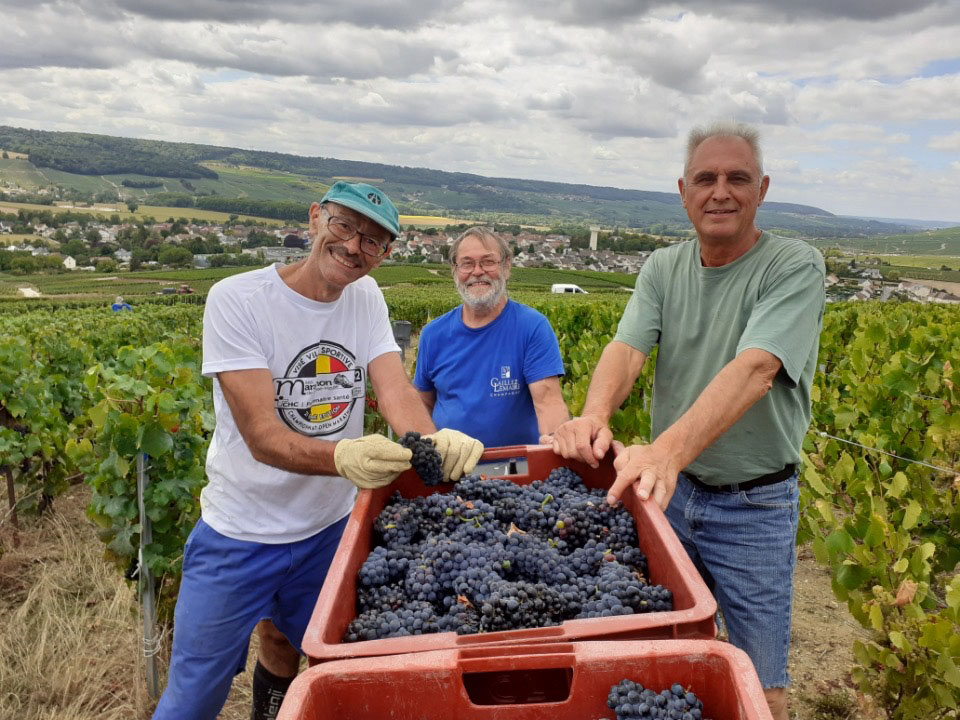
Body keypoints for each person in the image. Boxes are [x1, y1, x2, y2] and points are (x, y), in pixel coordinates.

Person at [152, 182, 483, 720]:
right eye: (345, 226)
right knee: (193, 696)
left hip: (329, 534)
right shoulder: (237, 299)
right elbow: (261, 434)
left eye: (373, 241)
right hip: (239, 536)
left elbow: (395, 388)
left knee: (337, 674)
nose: (354, 246)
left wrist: (430, 438)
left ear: (385, 256)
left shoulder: (366, 298)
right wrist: (340, 458)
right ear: (314, 219)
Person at [550, 122, 824, 720]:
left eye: (737, 178)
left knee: (759, 684)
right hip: (667, 499)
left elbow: (756, 369)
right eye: (706, 178)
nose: (720, 191)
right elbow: (625, 351)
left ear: (763, 189)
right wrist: (594, 415)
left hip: (754, 508)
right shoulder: (663, 268)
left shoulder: (793, 266)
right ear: (683, 191)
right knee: (660, 660)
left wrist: (665, 453)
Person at [413, 226, 569, 448]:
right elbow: (423, 404)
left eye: (488, 262)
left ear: (506, 267)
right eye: (467, 263)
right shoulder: (433, 334)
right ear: (455, 271)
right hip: (450, 468)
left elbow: (548, 402)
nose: (477, 271)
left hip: (515, 470)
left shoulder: (532, 327)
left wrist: (556, 447)